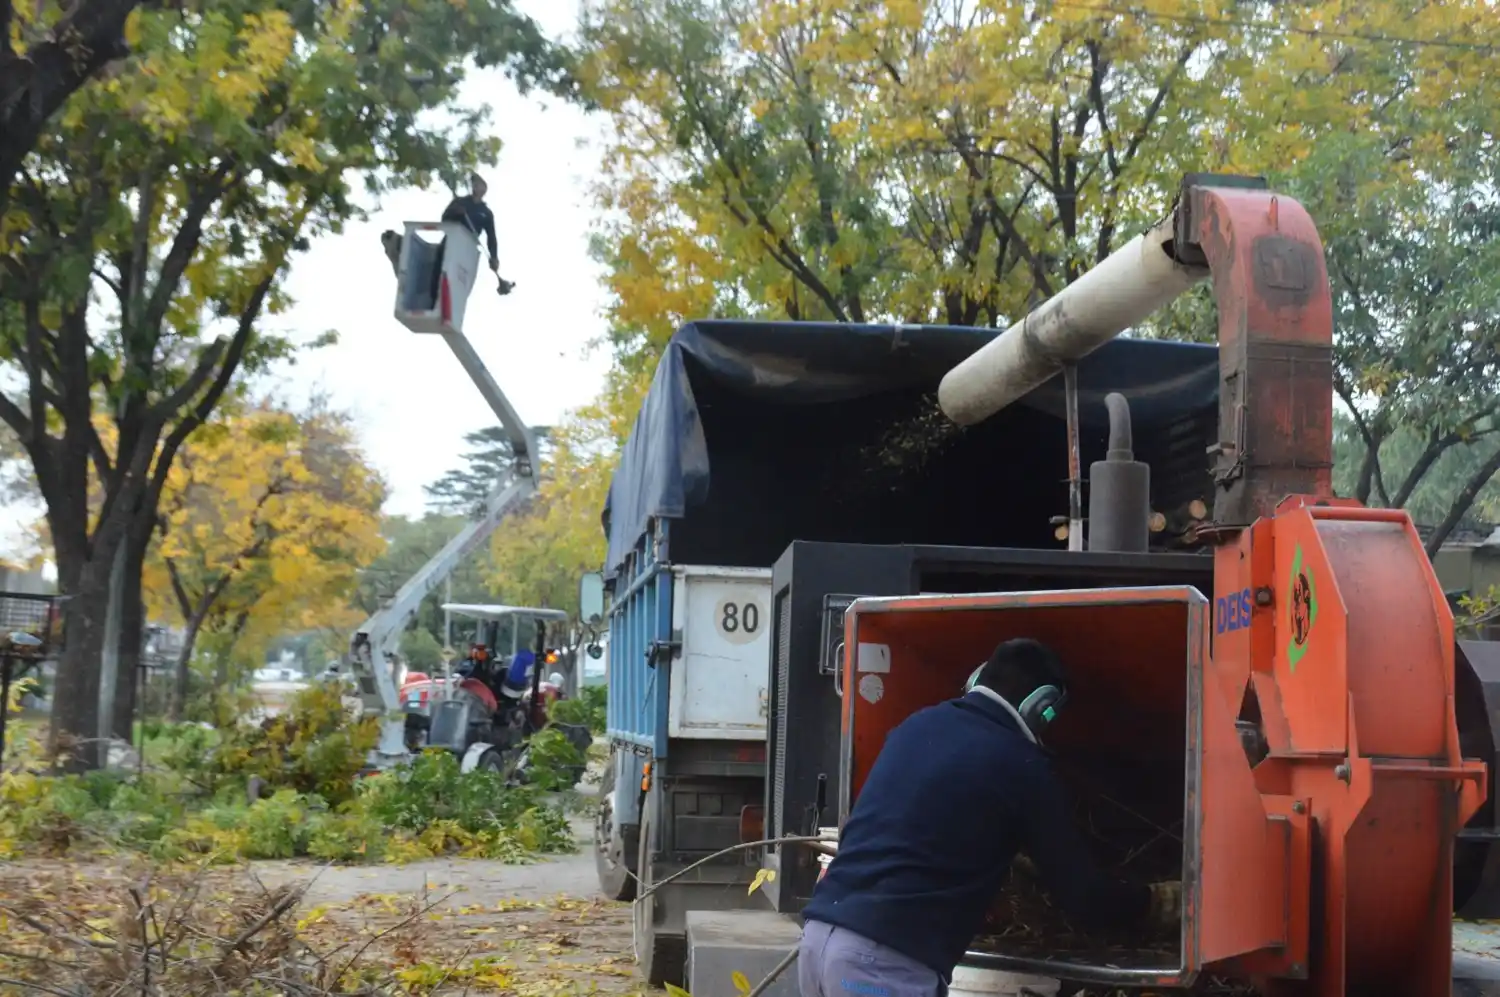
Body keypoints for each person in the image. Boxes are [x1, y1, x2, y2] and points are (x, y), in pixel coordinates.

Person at [798, 638, 1181, 997]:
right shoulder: (1022, 764)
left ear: (977, 678)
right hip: (881, 964)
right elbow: (1082, 895)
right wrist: (1156, 903)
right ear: (1041, 705)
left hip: (817, 942)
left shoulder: (914, 726)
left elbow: (875, 835)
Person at [442, 172, 515, 296]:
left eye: (481, 185)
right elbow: (444, 220)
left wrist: (494, 257)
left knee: (460, 277)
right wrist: (455, 213)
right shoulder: (459, 202)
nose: (479, 187)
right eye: (476, 184)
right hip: (451, 242)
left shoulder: (486, 213)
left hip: (468, 248)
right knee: (442, 270)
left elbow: (491, 237)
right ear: (473, 187)